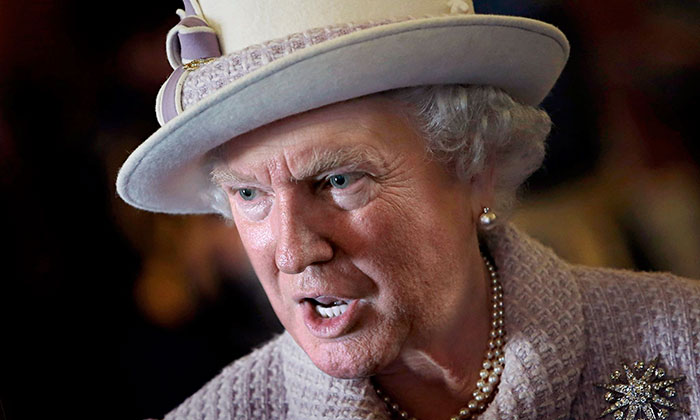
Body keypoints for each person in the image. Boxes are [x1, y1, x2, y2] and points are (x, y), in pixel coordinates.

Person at [116, 0, 699, 419]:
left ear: (474, 168)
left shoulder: (685, 341)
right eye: (250, 195)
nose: (293, 252)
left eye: (337, 180)